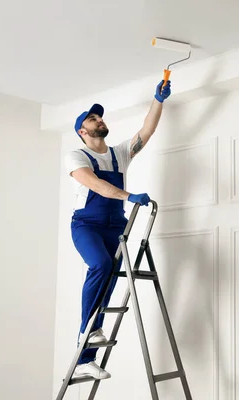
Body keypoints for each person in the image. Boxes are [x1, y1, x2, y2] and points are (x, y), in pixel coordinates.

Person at [64, 80, 172, 379]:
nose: (100, 120)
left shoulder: (118, 154)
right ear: (82, 131)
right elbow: (95, 183)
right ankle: (88, 328)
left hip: (116, 226)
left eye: (100, 117)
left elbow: (146, 132)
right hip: (87, 224)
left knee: (110, 278)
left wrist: (158, 100)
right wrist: (128, 196)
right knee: (99, 264)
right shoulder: (77, 157)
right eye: (92, 119)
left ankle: (86, 357)